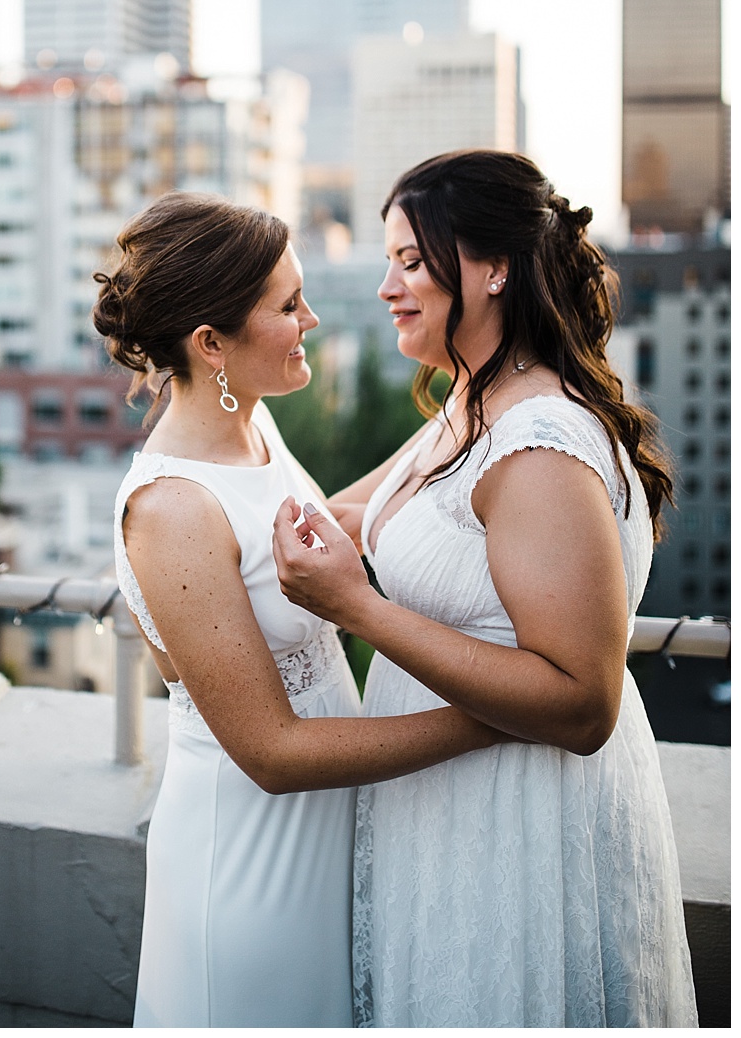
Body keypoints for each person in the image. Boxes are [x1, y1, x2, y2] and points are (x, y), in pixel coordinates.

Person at [273, 149, 699, 1028]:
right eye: (390, 260)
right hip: (442, 810)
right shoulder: (466, 404)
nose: (390, 286)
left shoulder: (538, 445)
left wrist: (359, 609)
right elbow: (343, 520)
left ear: (496, 269)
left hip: (516, 825)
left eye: (412, 262)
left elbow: (585, 705)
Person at [93, 192, 504, 1029]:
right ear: (212, 346)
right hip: (249, 871)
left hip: (327, 847)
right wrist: (495, 715)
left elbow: (350, 512)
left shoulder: (255, 426)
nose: (313, 319)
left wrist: (483, 402)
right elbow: (273, 752)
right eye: (288, 306)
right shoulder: (172, 508)